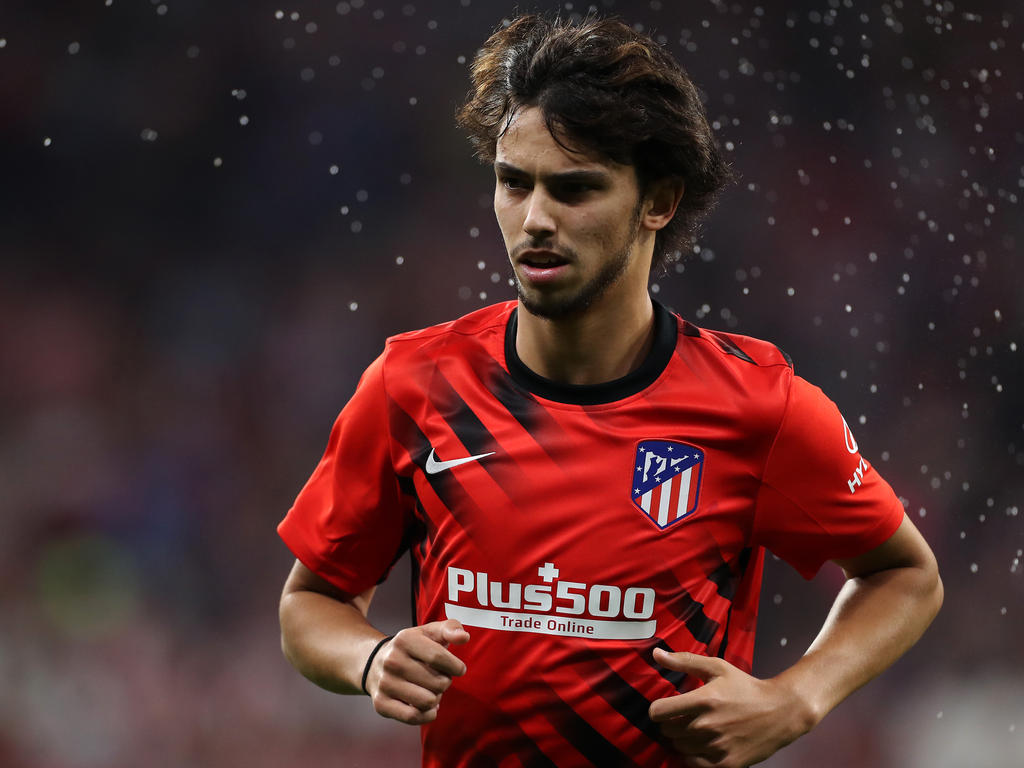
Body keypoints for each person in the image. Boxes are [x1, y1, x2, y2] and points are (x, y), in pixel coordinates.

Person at [277, 14, 943, 768]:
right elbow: (311, 605)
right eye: (513, 183)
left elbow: (905, 575)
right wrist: (369, 661)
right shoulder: (414, 385)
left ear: (657, 201)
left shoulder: (756, 407)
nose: (534, 219)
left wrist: (795, 699)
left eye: (575, 189)